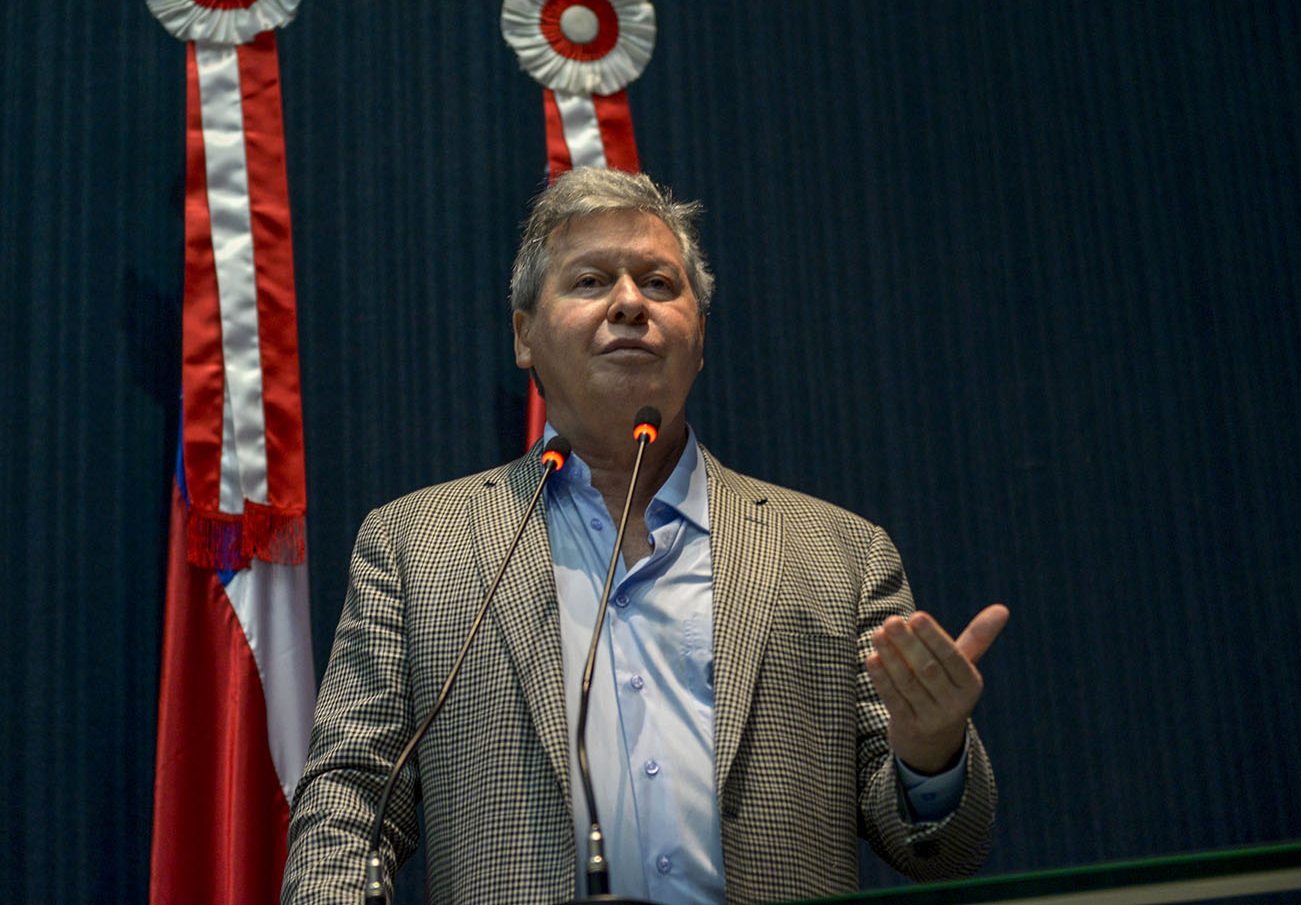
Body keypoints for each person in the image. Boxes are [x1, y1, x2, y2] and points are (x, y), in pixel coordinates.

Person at [282, 168, 1009, 905]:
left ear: (699, 340)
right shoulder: (416, 546)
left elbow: (942, 853)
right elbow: (351, 801)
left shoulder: (840, 554)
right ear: (524, 335)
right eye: (591, 281)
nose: (630, 303)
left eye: (659, 284)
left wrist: (930, 753)